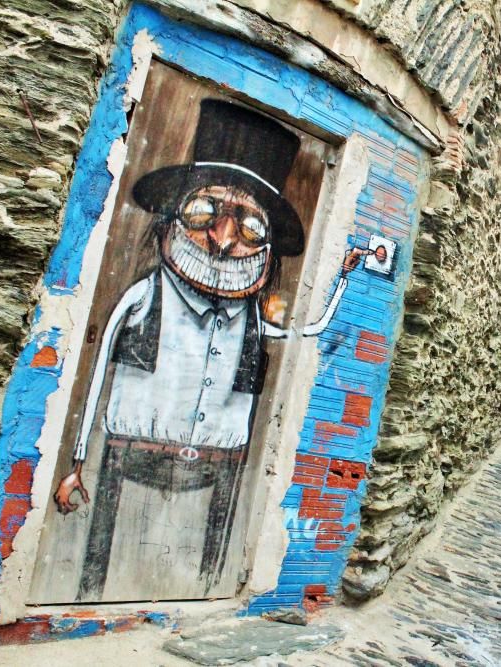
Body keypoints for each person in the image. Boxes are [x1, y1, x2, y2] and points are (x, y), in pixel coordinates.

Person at [52, 99, 361, 600]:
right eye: (203, 212)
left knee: (209, 564)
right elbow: (94, 379)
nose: (221, 238)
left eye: (248, 226)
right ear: (177, 214)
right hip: (129, 455)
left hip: (222, 464)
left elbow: (312, 328)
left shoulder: (254, 321)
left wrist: (345, 278)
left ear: (264, 244)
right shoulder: (145, 295)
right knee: (98, 563)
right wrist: (78, 464)